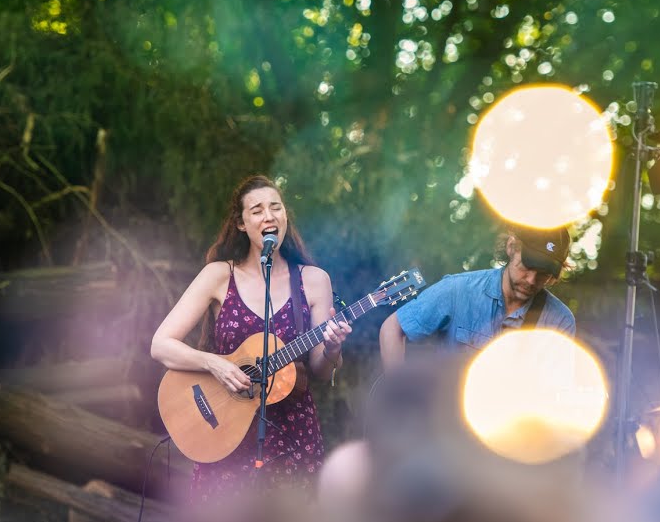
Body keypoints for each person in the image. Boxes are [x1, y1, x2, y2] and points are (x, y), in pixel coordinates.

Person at [151, 174, 351, 503]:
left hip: (292, 438)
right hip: (223, 436)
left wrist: (332, 347)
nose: (268, 216)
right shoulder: (218, 275)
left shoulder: (314, 281)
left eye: (276, 208)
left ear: (285, 216)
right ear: (241, 223)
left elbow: (321, 371)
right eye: (257, 210)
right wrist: (214, 363)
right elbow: (161, 344)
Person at [378, 222, 576, 370]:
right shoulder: (457, 290)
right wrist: (400, 394)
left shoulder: (559, 321)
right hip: (442, 419)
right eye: (528, 266)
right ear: (512, 248)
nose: (532, 280)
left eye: (544, 274)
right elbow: (392, 328)